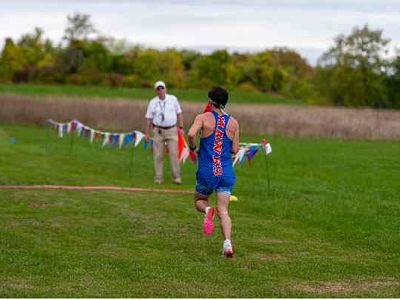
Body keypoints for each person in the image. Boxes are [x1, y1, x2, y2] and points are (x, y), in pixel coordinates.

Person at [187, 87, 240, 258]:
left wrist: (193, 147)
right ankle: (227, 245)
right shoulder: (233, 122)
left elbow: (190, 134)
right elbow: (235, 149)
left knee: (199, 201)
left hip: (207, 171)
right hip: (225, 172)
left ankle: (208, 209)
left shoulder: (203, 117)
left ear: (210, 101)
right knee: (223, 210)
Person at [145, 80, 184, 184]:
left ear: (165, 89)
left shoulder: (173, 99)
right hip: (158, 130)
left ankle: (176, 177)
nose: (160, 90)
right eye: (158, 89)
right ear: (155, 91)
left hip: (172, 130)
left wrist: (181, 127)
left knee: (174, 154)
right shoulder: (152, 102)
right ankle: (158, 178)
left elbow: (179, 113)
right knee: (158, 155)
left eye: (162, 88)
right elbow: (148, 118)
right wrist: (147, 133)